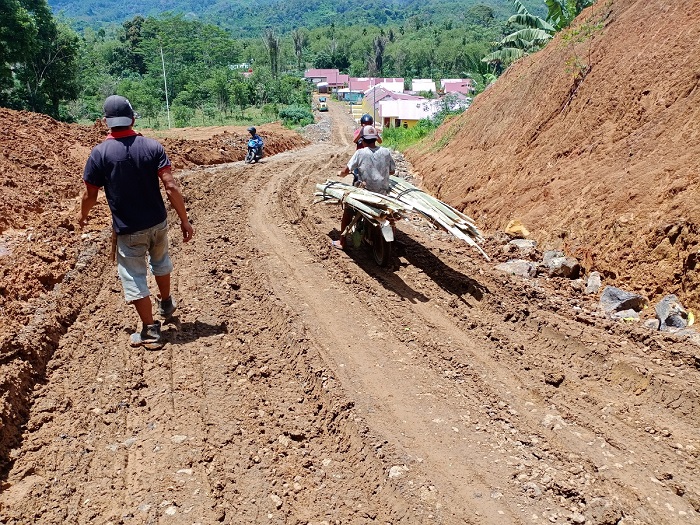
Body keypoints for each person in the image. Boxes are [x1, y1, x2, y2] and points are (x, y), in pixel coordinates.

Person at [77, 95, 194, 349]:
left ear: (106, 122)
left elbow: (90, 194)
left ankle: (150, 331)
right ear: (132, 118)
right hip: (158, 222)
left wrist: (83, 216)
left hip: (128, 229)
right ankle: (166, 302)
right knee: (161, 261)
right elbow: (171, 186)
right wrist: (184, 220)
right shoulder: (152, 147)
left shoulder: (99, 154)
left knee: (134, 276)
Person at [333, 125, 395, 250]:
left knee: (348, 212)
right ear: (376, 139)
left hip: (365, 194)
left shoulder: (360, 153)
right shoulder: (386, 152)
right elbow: (392, 171)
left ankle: (342, 241)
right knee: (390, 216)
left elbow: (346, 170)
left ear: (363, 140)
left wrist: (341, 173)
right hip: (383, 195)